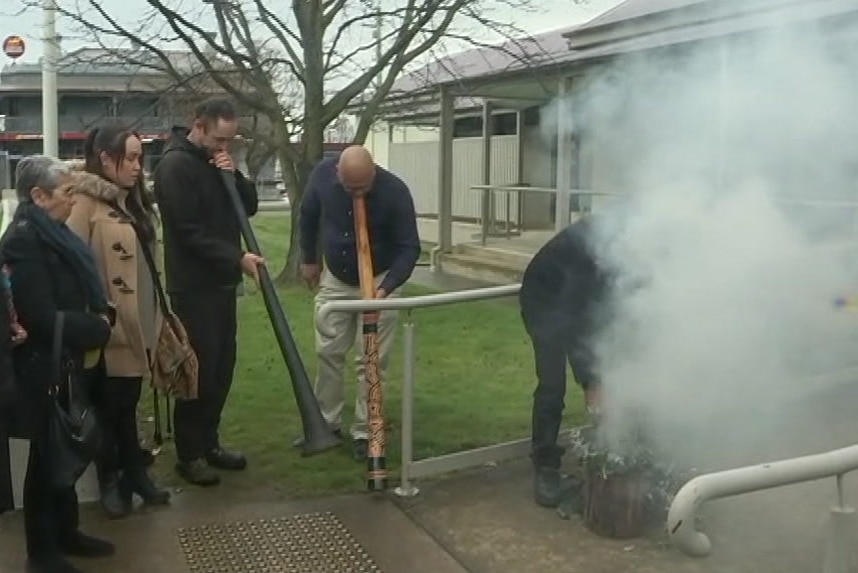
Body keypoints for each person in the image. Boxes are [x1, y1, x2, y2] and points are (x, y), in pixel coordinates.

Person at [1, 155, 115, 573]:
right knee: (47, 454)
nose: (73, 201)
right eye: (67, 193)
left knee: (66, 447)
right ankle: (42, 550)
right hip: (40, 365)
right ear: (39, 195)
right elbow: (41, 315)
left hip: (64, 359)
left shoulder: (52, 233)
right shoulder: (24, 240)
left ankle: (68, 533)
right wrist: (97, 326)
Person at [153, 97, 261, 487]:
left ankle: (210, 441)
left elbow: (248, 208)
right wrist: (237, 258)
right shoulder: (174, 166)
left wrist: (235, 175)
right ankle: (190, 452)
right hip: (193, 286)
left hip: (220, 285)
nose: (224, 147)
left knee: (222, 367)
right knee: (197, 370)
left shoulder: (218, 163)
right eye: (218, 138)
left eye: (230, 140)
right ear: (197, 126)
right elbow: (188, 231)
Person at [66, 126, 170, 518]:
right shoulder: (83, 202)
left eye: (139, 158)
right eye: (129, 158)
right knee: (112, 406)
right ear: (105, 159)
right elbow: (73, 264)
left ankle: (134, 476)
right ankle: (113, 479)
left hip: (142, 316)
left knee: (127, 403)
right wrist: (99, 315)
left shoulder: (134, 199)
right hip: (110, 325)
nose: (136, 166)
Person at [297, 145, 421, 461]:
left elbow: (410, 248)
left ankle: (366, 432)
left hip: (380, 279)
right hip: (336, 280)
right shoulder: (322, 176)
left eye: (363, 188)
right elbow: (308, 214)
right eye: (350, 188)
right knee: (328, 352)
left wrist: (387, 288)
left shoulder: (395, 191)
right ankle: (324, 424)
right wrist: (309, 259)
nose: (356, 195)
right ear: (337, 171)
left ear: (374, 172)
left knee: (371, 359)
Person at [519, 216, 611, 508]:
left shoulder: (628, 242)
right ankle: (545, 466)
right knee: (552, 384)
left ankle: (610, 445)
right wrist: (591, 381)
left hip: (579, 305)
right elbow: (578, 319)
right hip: (545, 300)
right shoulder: (594, 246)